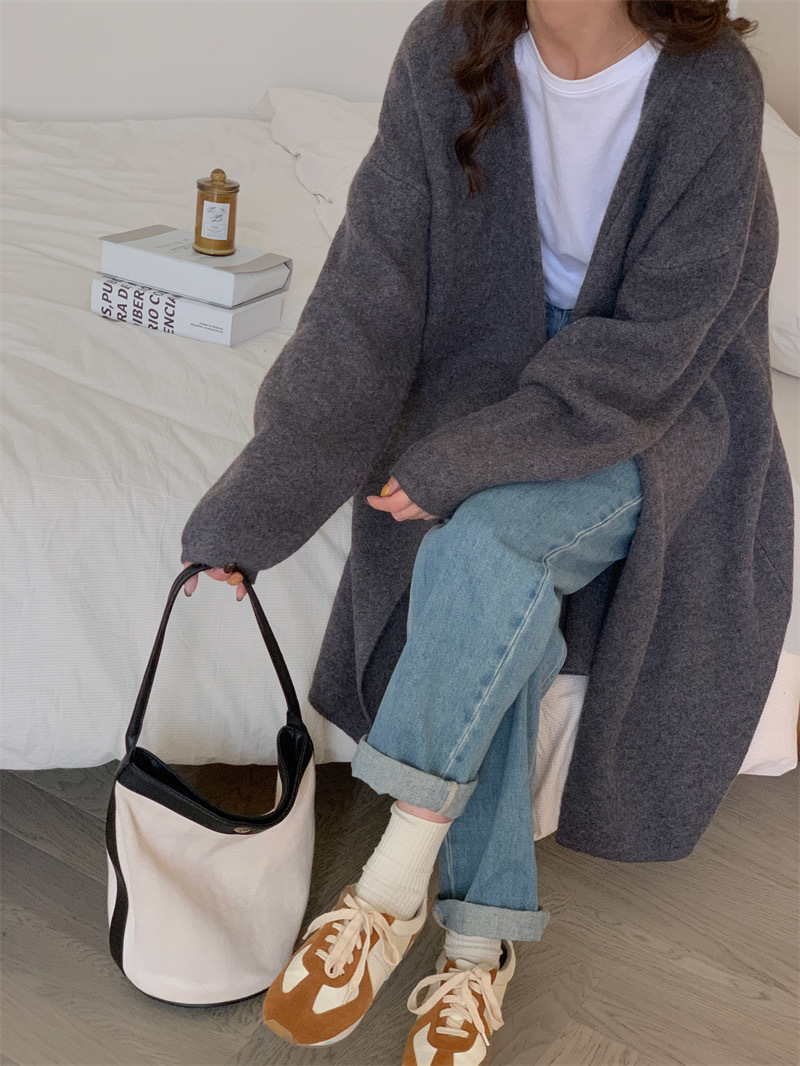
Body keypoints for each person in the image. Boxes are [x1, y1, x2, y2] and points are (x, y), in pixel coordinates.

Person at [181, 1, 784, 1062]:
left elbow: (656, 347)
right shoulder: (449, 43)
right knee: (499, 596)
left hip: (658, 407)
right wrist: (259, 502)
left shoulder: (708, 87)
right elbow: (368, 294)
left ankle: (389, 888)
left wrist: (456, 462)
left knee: (477, 542)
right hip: (489, 375)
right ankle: (478, 944)